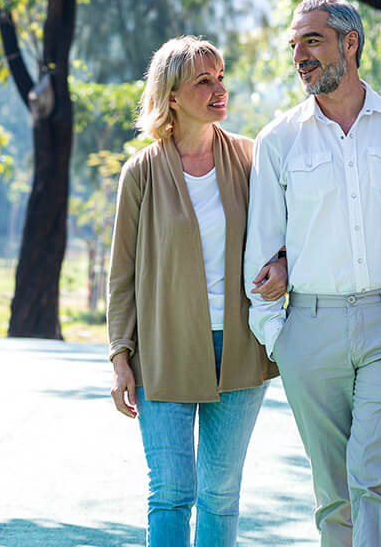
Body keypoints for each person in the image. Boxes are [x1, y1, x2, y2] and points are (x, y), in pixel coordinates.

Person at [243, 0, 381, 547]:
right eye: (294, 45)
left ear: (350, 43)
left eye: (312, 41)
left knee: (376, 482)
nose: (300, 57)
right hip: (309, 330)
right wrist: (278, 337)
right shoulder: (278, 140)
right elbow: (261, 255)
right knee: (334, 495)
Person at [107, 35, 288, 547]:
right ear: (170, 96)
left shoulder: (253, 159)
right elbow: (121, 274)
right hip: (162, 353)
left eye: (221, 77)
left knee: (220, 494)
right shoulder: (140, 172)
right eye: (202, 81)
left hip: (239, 350)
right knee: (169, 491)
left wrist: (283, 264)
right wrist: (120, 354)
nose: (218, 89)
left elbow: (289, 233)